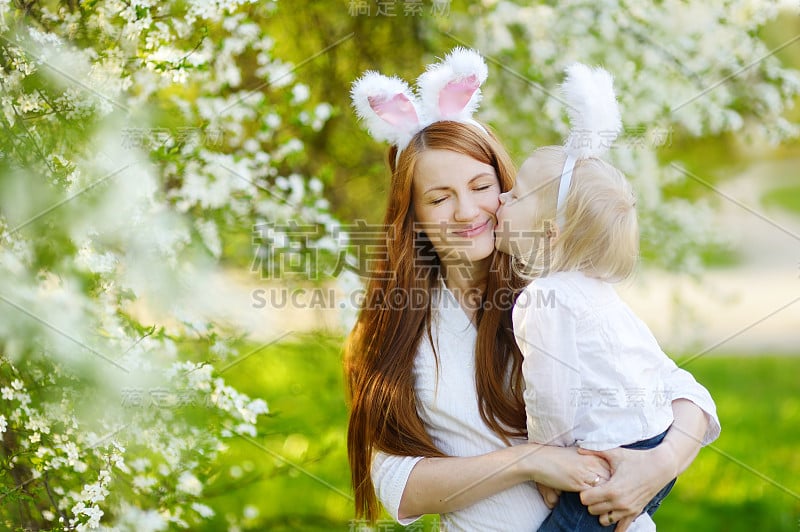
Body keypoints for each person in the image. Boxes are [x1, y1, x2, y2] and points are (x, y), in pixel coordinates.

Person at [345, 49, 720, 531]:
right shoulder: (398, 325)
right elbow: (397, 482)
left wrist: (659, 466)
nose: (467, 211)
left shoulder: (556, 288)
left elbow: (680, 391)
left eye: (482, 186)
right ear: (412, 216)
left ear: (508, 190)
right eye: (440, 198)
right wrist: (529, 460)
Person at [495, 64, 719, 531]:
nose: (500, 200)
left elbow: (549, 394)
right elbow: (652, 366)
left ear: (548, 232)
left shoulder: (542, 300)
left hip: (610, 458)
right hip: (653, 440)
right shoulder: (597, 291)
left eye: (514, 197)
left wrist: (547, 457)